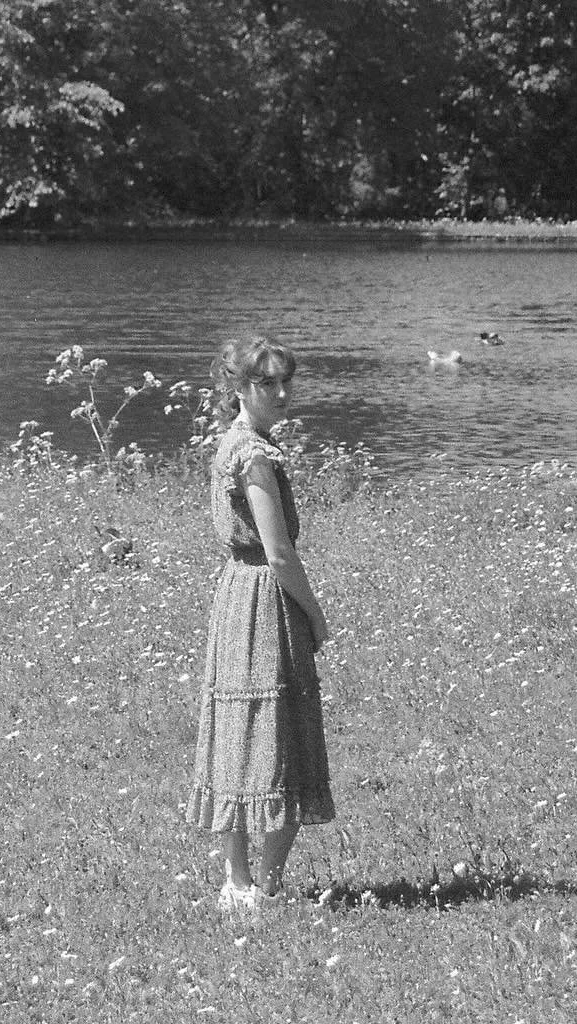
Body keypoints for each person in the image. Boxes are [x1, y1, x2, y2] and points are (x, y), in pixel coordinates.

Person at [185, 335, 334, 912]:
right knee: (277, 736)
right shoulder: (254, 455)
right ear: (238, 389)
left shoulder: (232, 444)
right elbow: (278, 554)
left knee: (239, 732)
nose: (280, 392)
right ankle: (261, 887)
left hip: (234, 599)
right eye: (265, 383)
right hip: (265, 600)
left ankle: (238, 883)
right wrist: (315, 615)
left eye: (285, 381)